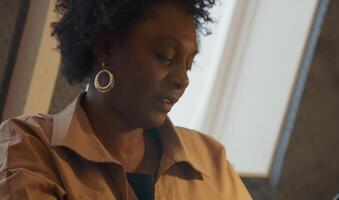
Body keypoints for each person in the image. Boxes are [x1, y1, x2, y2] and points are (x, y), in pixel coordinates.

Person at [0, 0, 252, 199]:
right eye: (165, 56)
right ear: (107, 48)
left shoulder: (210, 160)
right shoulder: (31, 148)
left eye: (188, 64)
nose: (182, 80)